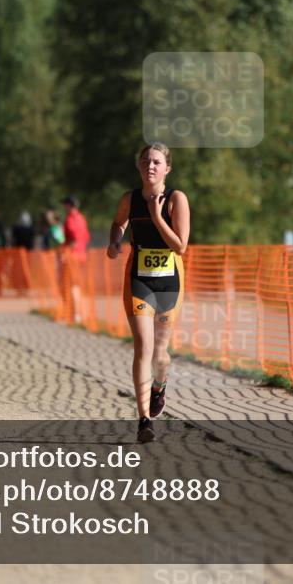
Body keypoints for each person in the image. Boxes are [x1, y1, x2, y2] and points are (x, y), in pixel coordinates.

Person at [107, 143, 190, 443]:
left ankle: (160, 385)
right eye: (145, 162)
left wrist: (157, 217)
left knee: (160, 354)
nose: (150, 166)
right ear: (139, 167)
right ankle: (144, 420)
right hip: (139, 280)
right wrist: (115, 241)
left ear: (167, 168)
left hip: (169, 282)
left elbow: (180, 246)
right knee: (142, 346)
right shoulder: (129, 199)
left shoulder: (175, 200)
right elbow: (118, 223)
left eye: (156, 162)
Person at [62, 195, 90, 325]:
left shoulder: (70, 219)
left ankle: (75, 315)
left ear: (69, 205)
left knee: (72, 286)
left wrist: (65, 253)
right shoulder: (81, 218)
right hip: (82, 255)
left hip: (72, 256)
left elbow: (73, 238)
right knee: (78, 286)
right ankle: (80, 314)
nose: (63, 207)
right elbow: (86, 236)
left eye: (65, 204)